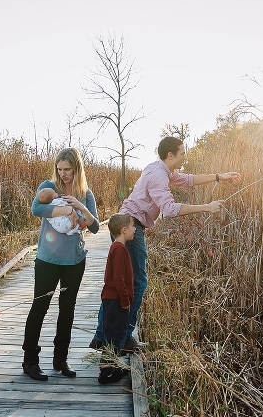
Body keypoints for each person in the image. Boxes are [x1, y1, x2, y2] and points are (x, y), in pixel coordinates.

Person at [90, 136, 242, 351]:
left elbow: (187, 180)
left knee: (119, 282)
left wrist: (219, 177)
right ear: (170, 155)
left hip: (128, 223)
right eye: (182, 154)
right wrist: (207, 207)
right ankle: (122, 338)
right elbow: (170, 209)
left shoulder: (161, 170)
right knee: (137, 283)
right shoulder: (158, 175)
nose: (184, 158)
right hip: (129, 227)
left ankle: (101, 336)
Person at [23, 147, 100, 381]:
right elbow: (36, 208)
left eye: (67, 169)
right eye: (60, 169)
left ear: (76, 169)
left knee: (67, 310)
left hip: (75, 261)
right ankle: (30, 361)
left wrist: (80, 206)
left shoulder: (85, 193)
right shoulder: (48, 186)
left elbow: (95, 226)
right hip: (47, 260)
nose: (63, 174)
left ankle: (60, 360)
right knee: (40, 308)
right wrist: (68, 208)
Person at [98, 213, 136, 384]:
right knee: (114, 334)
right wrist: (125, 299)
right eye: (133, 226)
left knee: (114, 333)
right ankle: (106, 373)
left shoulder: (116, 247)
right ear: (124, 229)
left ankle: (112, 366)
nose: (135, 229)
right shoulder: (120, 249)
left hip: (112, 299)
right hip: (116, 300)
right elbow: (119, 278)